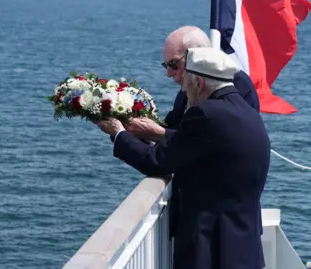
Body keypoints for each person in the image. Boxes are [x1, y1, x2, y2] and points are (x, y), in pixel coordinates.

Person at [95, 47, 270, 269]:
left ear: (199, 83)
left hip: (212, 249)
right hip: (244, 246)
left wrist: (118, 133)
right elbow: (200, 149)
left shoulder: (206, 114)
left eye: (186, 83)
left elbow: (157, 161)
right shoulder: (248, 113)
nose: (184, 91)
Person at [122, 26, 262, 244]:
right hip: (213, 227)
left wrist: (120, 133)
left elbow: (204, 143)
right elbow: (176, 130)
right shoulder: (193, 92)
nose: (169, 73)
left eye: (173, 65)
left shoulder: (231, 88)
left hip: (217, 229)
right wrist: (132, 122)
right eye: (166, 65)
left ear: (195, 57)